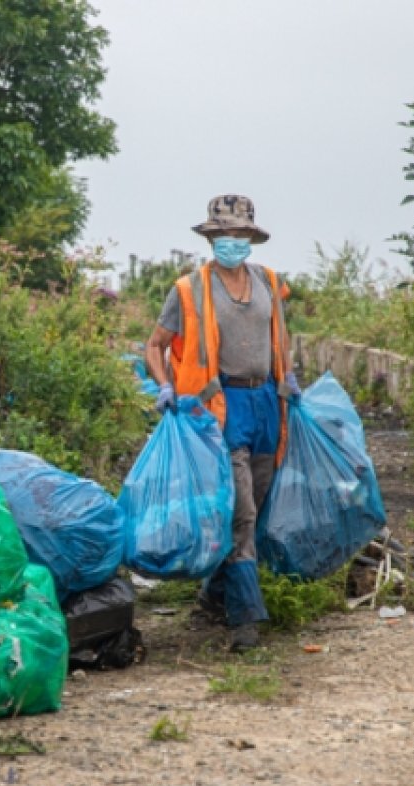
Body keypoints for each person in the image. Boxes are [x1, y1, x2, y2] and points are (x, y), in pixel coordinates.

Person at [143, 194, 300, 652]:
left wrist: (289, 377)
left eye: (240, 234)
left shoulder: (268, 282)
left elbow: (280, 337)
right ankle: (245, 619)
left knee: (260, 499)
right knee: (240, 510)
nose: (232, 241)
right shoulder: (189, 289)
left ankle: (213, 594)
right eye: (224, 235)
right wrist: (165, 386)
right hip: (220, 405)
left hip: (267, 401)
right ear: (211, 239)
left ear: (251, 237)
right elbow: (154, 345)